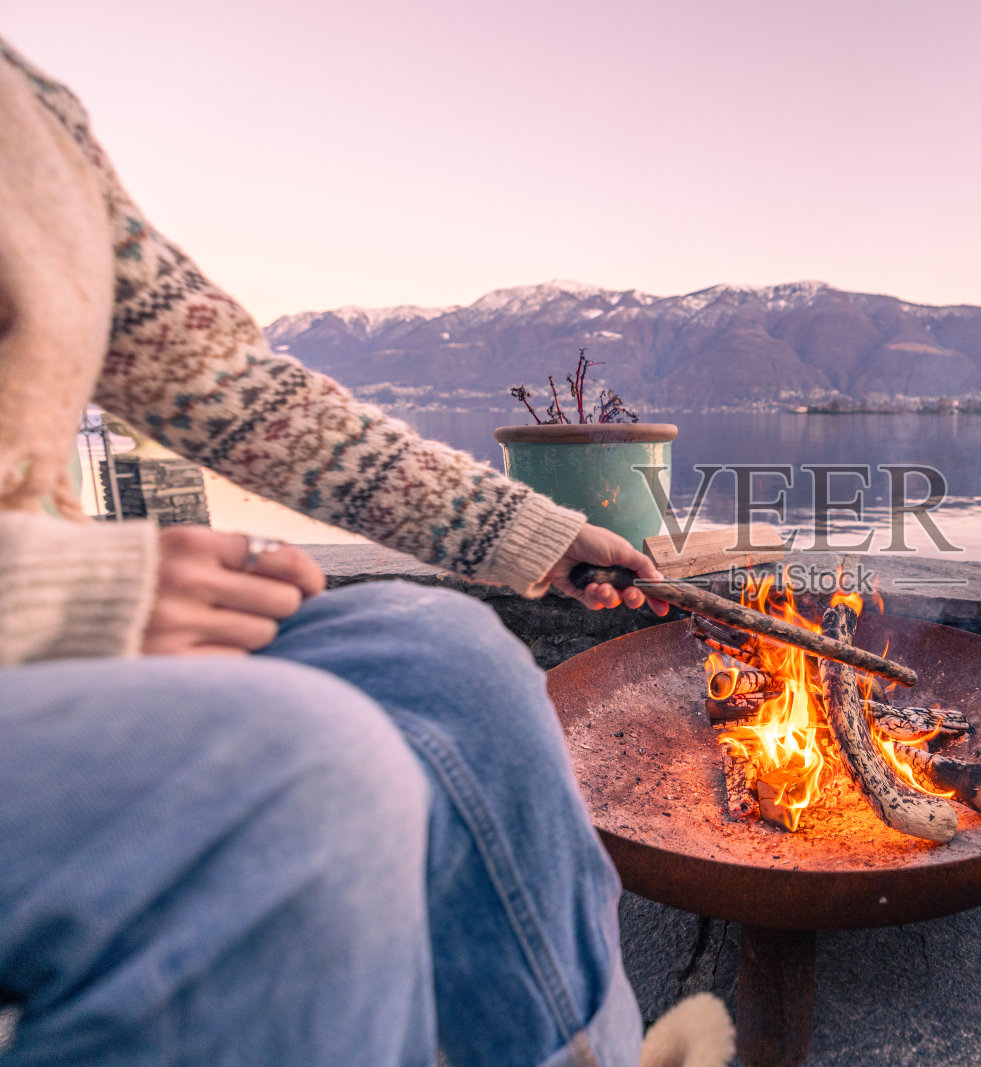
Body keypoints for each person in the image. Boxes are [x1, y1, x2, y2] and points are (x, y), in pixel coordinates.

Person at [0, 39, 732, 1067]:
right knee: (296, 770)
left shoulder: (29, 114)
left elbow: (243, 394)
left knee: (445, 656)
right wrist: (49, 591)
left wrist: (534, 529)